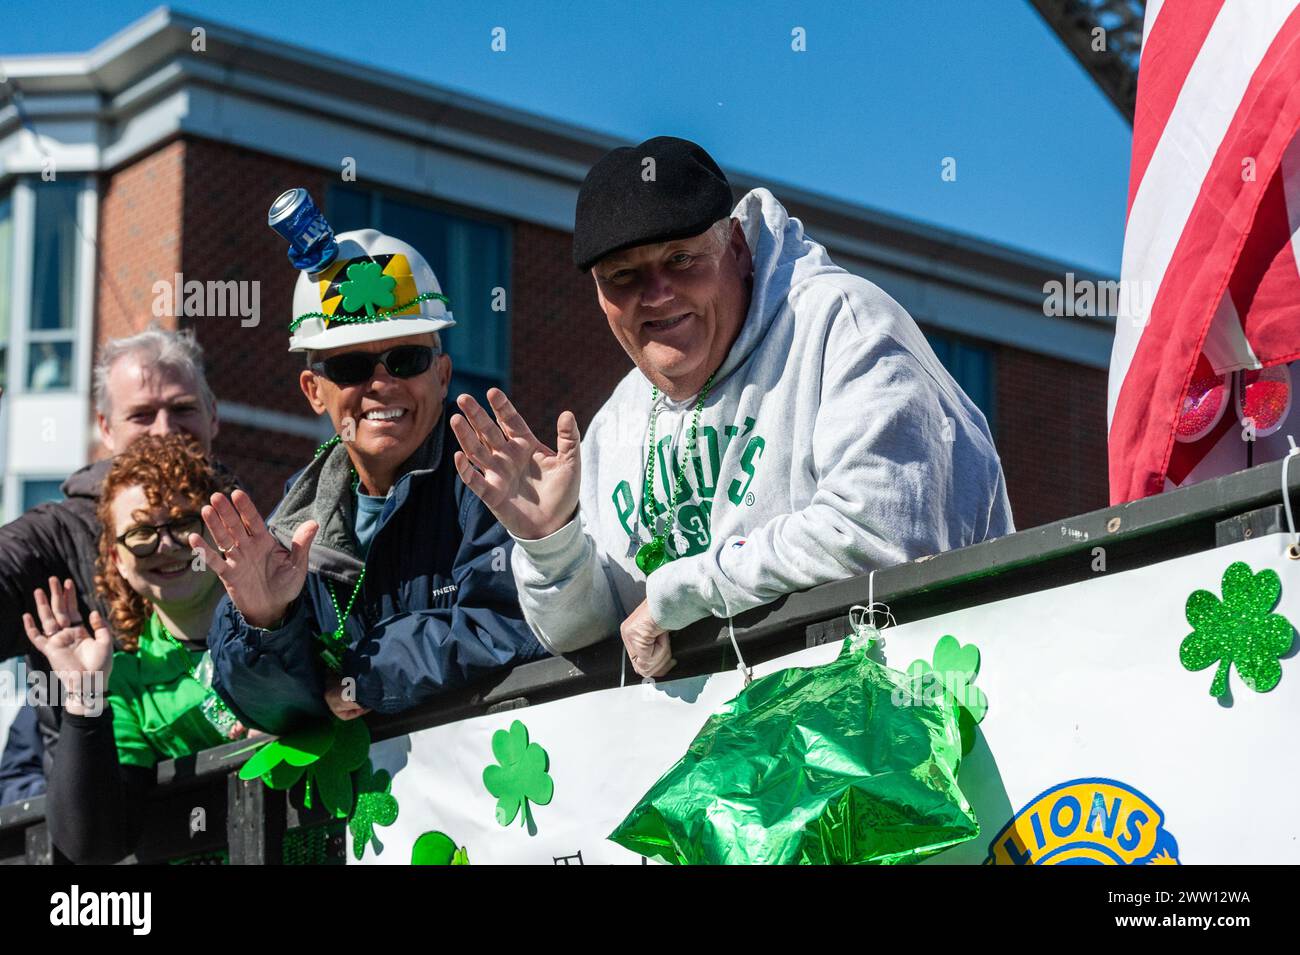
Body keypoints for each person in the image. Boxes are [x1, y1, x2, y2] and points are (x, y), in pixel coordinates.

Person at [452, 136, 1015, 678]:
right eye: (624, 276)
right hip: (720, 756)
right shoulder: (615, 422)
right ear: (601, 297)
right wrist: (552, 544)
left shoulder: (842, 325)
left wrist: (683, 592)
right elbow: (594, 636)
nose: (656, 293)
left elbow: (880, 535)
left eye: (681, 258)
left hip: (898, 735)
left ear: (738, 250)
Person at [204, 221, 544, 735]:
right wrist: (265, 622)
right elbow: (276, 710)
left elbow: (524, 622)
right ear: (313, 391)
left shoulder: (495, 476)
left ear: (443, 375)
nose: (382, 385)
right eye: (350, 368)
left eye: (406, 359)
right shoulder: (297, 520)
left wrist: (368, 670)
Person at [0, 326, 223, 791]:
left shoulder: (249, 519)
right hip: (104, 819)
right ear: (105, 427)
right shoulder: (57, 537)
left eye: (182, 409)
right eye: (142, 415)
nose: (165, 430)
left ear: (213, 416)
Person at [23, 434, 243, 864]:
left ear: (217, 528)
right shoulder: (124, 679)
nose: (165, 545)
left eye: (182, 523)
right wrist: (82, 697)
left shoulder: (281, 613)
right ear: (117, 558)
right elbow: (94, 845)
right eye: (141, 533)